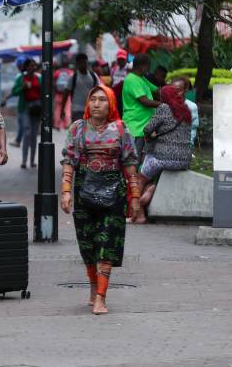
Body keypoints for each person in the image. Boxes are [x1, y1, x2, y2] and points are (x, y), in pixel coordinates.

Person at [60, 85, 141, 315]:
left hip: (113, 194)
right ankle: (93, 287)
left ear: (111, 104)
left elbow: (130, 163)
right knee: (87, 244)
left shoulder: (121, 129)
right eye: (93, 99)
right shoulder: (78, 128)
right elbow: (69, 160)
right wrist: (66, 191)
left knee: (106, 245)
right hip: (83, 192)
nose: (96, 104)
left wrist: (134, 196)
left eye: (102, 100)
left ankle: (100, 298)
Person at [134, 85, 193, 223]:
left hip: (163, 159)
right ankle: (152, 189)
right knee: (156, 174)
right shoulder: (186, 110)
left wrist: (153, 134)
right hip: (184, 161)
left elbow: (147, 129)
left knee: (139, 179)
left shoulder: (164, 108)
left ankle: (138, 215)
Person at [122, 53, 161, 160]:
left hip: (144, 127)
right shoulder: (131, 79)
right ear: (142, 66)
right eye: (148, 66)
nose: (149, 69)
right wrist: (164, 105)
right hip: (135, 127)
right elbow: (144, 101)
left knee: (143, 159)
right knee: (133, 160)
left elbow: (157, 90)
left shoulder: (142, 78)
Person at [16, 59, 42, 168]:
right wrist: (22, 87)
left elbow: (44, 93)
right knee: (27, 133)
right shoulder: (20, 78)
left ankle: (32, 161)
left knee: (34, 135)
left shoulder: (39, 78)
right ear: (26, 67)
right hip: (25, 107)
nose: (33, 67)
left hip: (36, 108)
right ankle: (24, 161)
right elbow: (14, 91)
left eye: (34, 65)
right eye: (31, 65)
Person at [61, 53, 101, 122]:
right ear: (77, 64)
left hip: (91, 110)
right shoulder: (73, 77)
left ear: (87, 63)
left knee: (90, 132)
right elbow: (66, 93)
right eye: (80, 63)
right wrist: (62, 109)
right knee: (79, 131)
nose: (82, 65)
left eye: (84, 62)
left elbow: (99, 92)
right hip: (77, 110)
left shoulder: (93, 76)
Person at [171, 76, 199, 147]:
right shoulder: (166, 104)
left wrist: (189, 144)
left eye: (178, 90)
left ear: (185, 90)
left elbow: (193, 128)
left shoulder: (192, 107)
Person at [9, 56, 28, 147]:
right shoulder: (36, 75)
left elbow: (14, 91)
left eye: (18, 65)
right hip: (34, 106)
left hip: (23, 105)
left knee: (22, 124)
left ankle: (18, 141)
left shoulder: (20, 76)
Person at [53, 61, 73, 129]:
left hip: (58, 94)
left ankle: (57, 124)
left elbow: (53, 82)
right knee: (67, 109)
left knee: (57, 110)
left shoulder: (57, 72)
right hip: (67, 94)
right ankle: (67, 124)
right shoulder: (70, 72)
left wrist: (55, 90)